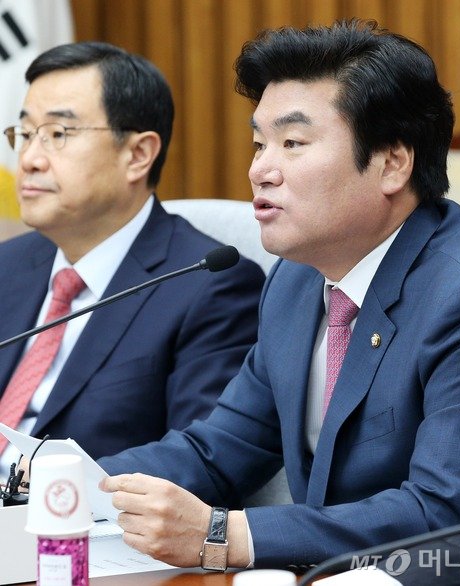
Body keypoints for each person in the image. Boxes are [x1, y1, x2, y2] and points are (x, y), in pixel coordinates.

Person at [99, 20, 460, 571]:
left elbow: (441, 513)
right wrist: (67, 482)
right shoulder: (295, 280)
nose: (260, 170)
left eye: (292, 143)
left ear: (392, 163)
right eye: (259, 144)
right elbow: (220, 450)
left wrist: (223, 534)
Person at [0, 41, 265, 477]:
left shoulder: (209, 285)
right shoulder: (8, 265)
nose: (28, 160)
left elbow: (205, 458)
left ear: (138, 155)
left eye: (58, 134)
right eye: (25, 134)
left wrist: (54, 481)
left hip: (76, 512)